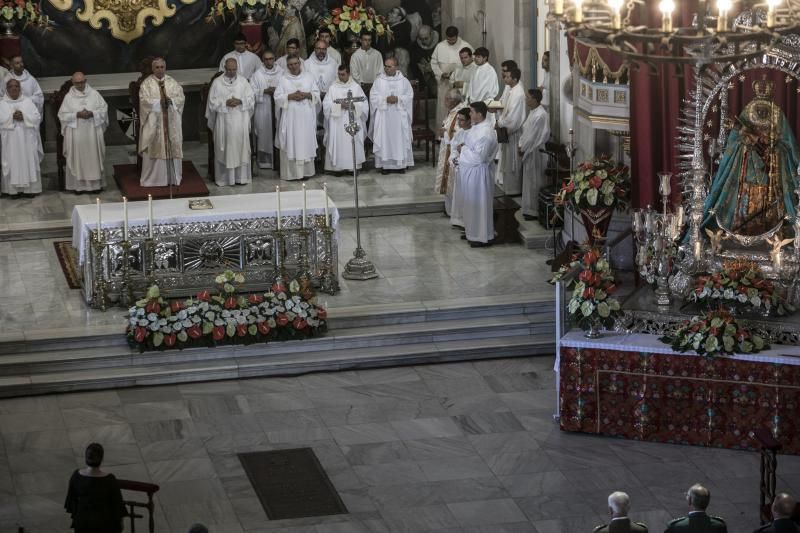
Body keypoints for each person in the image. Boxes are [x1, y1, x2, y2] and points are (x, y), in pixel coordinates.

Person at [453, 101, 498, 247]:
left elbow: (480, 157)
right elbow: (469, 145)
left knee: (479, 205)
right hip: (470, 171)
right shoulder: (477, 127)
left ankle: (481, 236)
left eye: (471, 112)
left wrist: (463, 150)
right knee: (471, 204)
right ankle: (472, 233)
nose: (470, 114)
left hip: (479, 173)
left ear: (479, 114)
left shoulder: (486, 132)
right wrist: (464, 147)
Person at [206, 59, 255, 186]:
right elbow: (212, 103)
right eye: (229, 69)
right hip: (224, 121)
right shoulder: (217, 83)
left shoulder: (243, 81)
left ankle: (241, 178)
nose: (231, 72)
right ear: (224, 68)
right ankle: (224, 179)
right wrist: (225, 103)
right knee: (225, 148)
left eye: (234, 69)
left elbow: (251, 98)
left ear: (237, 68)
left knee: (241, 148)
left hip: (240, 119)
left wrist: (240, 101)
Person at [57, 72, 109, 193]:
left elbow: (104, 110)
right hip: (76, 133)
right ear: (73, 82)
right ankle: (78, 187)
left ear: (85, 81)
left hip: (92, 132)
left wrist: (92, 113)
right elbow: (62, 115)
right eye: (77, 83)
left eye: (82, 82)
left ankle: (95, 186)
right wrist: (77, 114)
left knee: (93, 157)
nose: (80, 85)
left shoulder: (95, 94)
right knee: (78, 158)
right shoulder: (68, 97)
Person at [139, 58, 184, 187]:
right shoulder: (146, 84)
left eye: (162, 67)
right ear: (153, 69)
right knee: (155, 145)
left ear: (165, 68)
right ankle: (153, 179)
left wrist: (172, 102)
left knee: (172, 142)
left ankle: (173, 178)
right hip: (154, 122)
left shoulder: (172, 82)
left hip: (171, 121)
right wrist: (159, 103)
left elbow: (181, 98)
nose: (160, 70)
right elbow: (144, 101)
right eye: (157, 67)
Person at [274, 55, 319, 180]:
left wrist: (307, 95)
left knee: (305, 142)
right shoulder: (283, 79)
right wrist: (290, 96)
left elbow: (316, 94)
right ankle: (292, 174)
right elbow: (277, 97)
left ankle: (306, 172)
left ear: (300, 63)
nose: (293, 66)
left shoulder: (309, 77)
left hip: (305, 117)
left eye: (295, 63)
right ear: (287, 66)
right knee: (291, 142)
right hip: (291, 119)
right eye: (290, 64)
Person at [64, 443, 126, 533]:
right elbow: (117, 505)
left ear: (86, 457)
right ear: (101, 459)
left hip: (82, 522)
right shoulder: (110, 479)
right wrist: (120, 523)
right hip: (105, 524)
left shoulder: (76, 476)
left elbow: (71, 502)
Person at [369, 56, 414, 174]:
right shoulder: (379, 80)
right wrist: (385, 99)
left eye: (389, 66)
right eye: (385, 66)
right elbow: (373, 96)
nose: (386, 68)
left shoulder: (404, 81)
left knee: (399, 139)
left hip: (399, 116)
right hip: (384, 116)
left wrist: (398, 99)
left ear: (396, 67)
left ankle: (400, 166)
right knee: (385, 139)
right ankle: (385, 166)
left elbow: (409, 96)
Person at [322, 64, 368, 175]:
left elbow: (364, 103)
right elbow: (326, 105)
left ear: (348, 74)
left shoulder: (356, 87)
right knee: (338, 142)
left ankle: (353, 167)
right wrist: (339, 106)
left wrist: (352, 105)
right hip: (337, 122)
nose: (340, 76)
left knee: (353, 141)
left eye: (343, 74)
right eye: (339, 74)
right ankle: (337, 168)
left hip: (353, 120)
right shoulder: (333, 88)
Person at [0, 79, 43, 197]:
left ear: (20, 88)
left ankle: (30, 190)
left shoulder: (28, 102)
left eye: (16, 86)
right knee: (11, 161)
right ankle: (13, 191)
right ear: (7, 89)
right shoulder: (2, 104)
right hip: (10, 140)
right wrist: (12, 117)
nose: (14, 89)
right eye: (11, 87)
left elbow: (36, 118)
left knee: (28, 160)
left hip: (27, 139)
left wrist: (24, 117)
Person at [430, 26, 472, 127]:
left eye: (452, 39)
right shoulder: (440, 46)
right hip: (444, 83)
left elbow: (470, 63)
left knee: (458, 107)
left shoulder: (465, 45)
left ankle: (456, 131)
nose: (450, 41)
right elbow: (433, 62)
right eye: (448, 39)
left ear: (457, 36)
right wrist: (440, 74)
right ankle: (442, 133)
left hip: (458, 84)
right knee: (443, 107)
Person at [518, 88, 550, 220]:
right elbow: (525, 132)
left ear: (535, 99)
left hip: (535, 151)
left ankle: (534, 210)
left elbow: (533, 136)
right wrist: (520, 144)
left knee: (535, 181)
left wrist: (523, 147)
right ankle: (528, 208)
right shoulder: (533, 112)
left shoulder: (540, 115)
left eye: (528, 97)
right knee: (529, 181)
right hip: (529, 150)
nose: (526, 99)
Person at [495, 66, 526, 195]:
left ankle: (514, 189)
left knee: (513, 163)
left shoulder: (518, 94)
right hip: (508, 131)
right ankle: (509, 187)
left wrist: (500, 123)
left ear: (514, 78)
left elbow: (514, 117)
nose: (505, 78)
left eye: (508, 76)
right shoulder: (512, 89)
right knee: (507, 161)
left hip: (513, 133)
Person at [435, 88, 467, 216]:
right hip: (447, 150)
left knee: (453, 183)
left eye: (447, 99)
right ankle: (449, 210)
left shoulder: (461, 113)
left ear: (454, 101)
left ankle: (454, 212)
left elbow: (460, 133)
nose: (445, 101)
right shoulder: (453, 111)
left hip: (454, 152)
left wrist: (445, 133)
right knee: (449, 184)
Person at [250, 50, 283, 170]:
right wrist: (264, 91)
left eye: (271, 59)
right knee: (264, 133)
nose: (269, 61)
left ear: (274, 59)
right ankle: (264, 161)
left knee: (278, 131)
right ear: (263, 60)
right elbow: (251, 92)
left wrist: (277, 91)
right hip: (263, 108)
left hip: (278, 108)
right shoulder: (257, 74)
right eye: (266, 59)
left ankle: (278, 160)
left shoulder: (282, 73)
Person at [449, 107, 472, 228]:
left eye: (462, 120)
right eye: (458, 119)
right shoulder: (459, 133)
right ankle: (458, 219)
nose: (459, 122)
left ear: (469, 120)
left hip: (469, 170)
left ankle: (467, 221)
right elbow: (453, 149)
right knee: (459, 195)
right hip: (459, 168)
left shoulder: (474, 133)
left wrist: (462, 149)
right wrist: (454, 160)